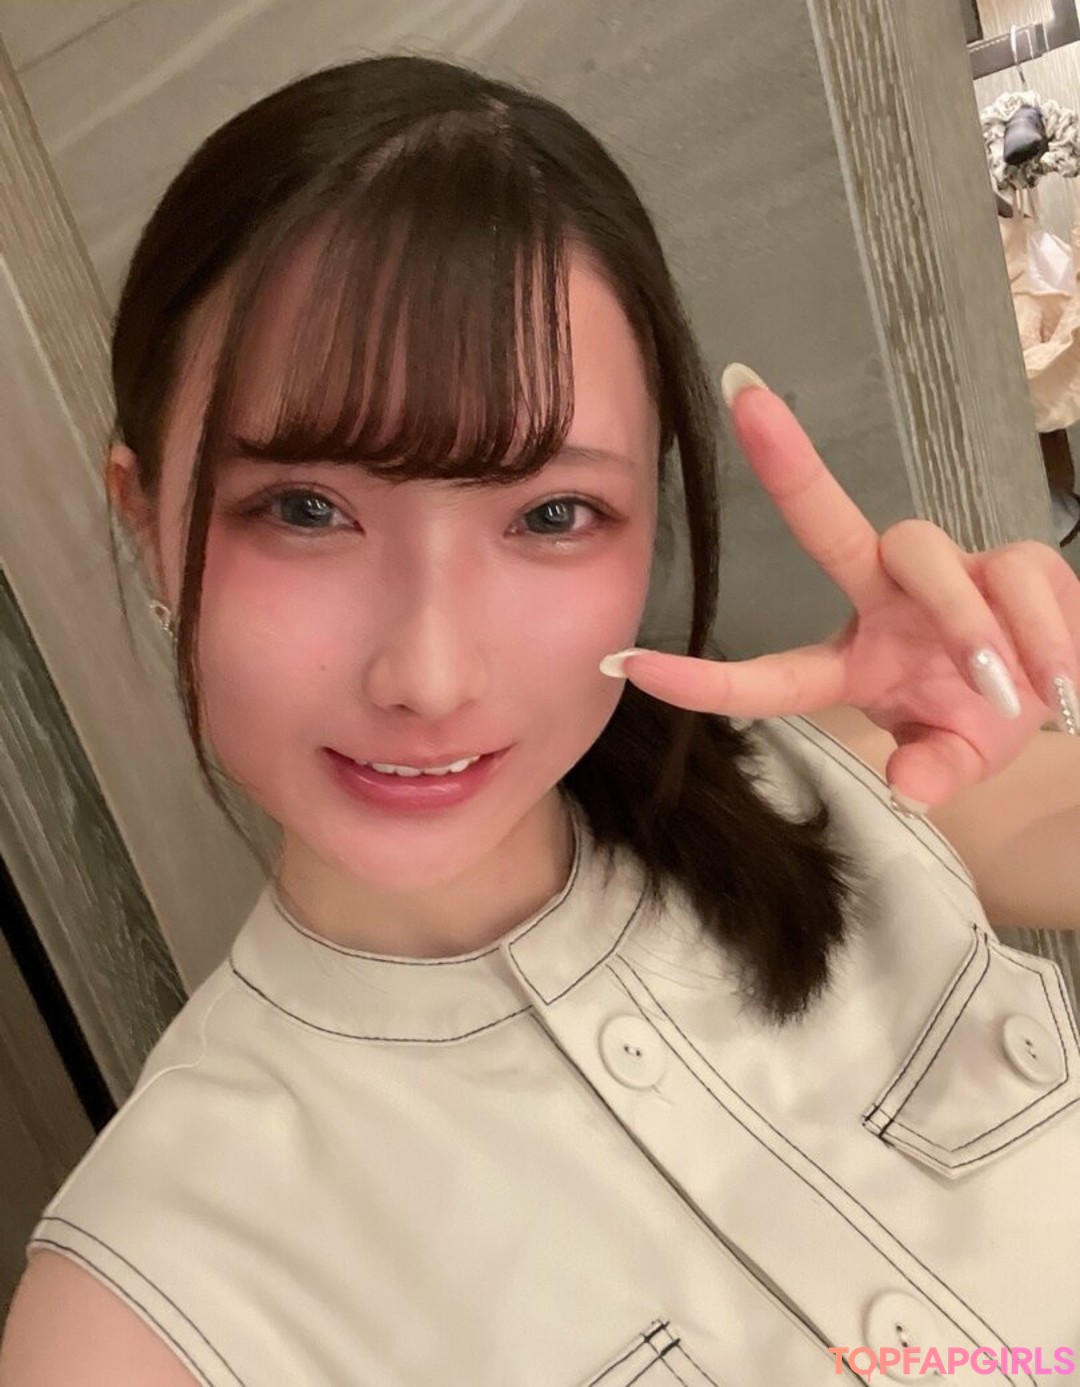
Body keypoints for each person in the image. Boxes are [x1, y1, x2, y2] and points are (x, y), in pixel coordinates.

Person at [2, 53, 1079, 1387]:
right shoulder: (135, 1318)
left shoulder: (855, 793)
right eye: (305, 510)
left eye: (552, 514)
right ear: (146, 521)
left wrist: (1026, 682)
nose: (430, 675)